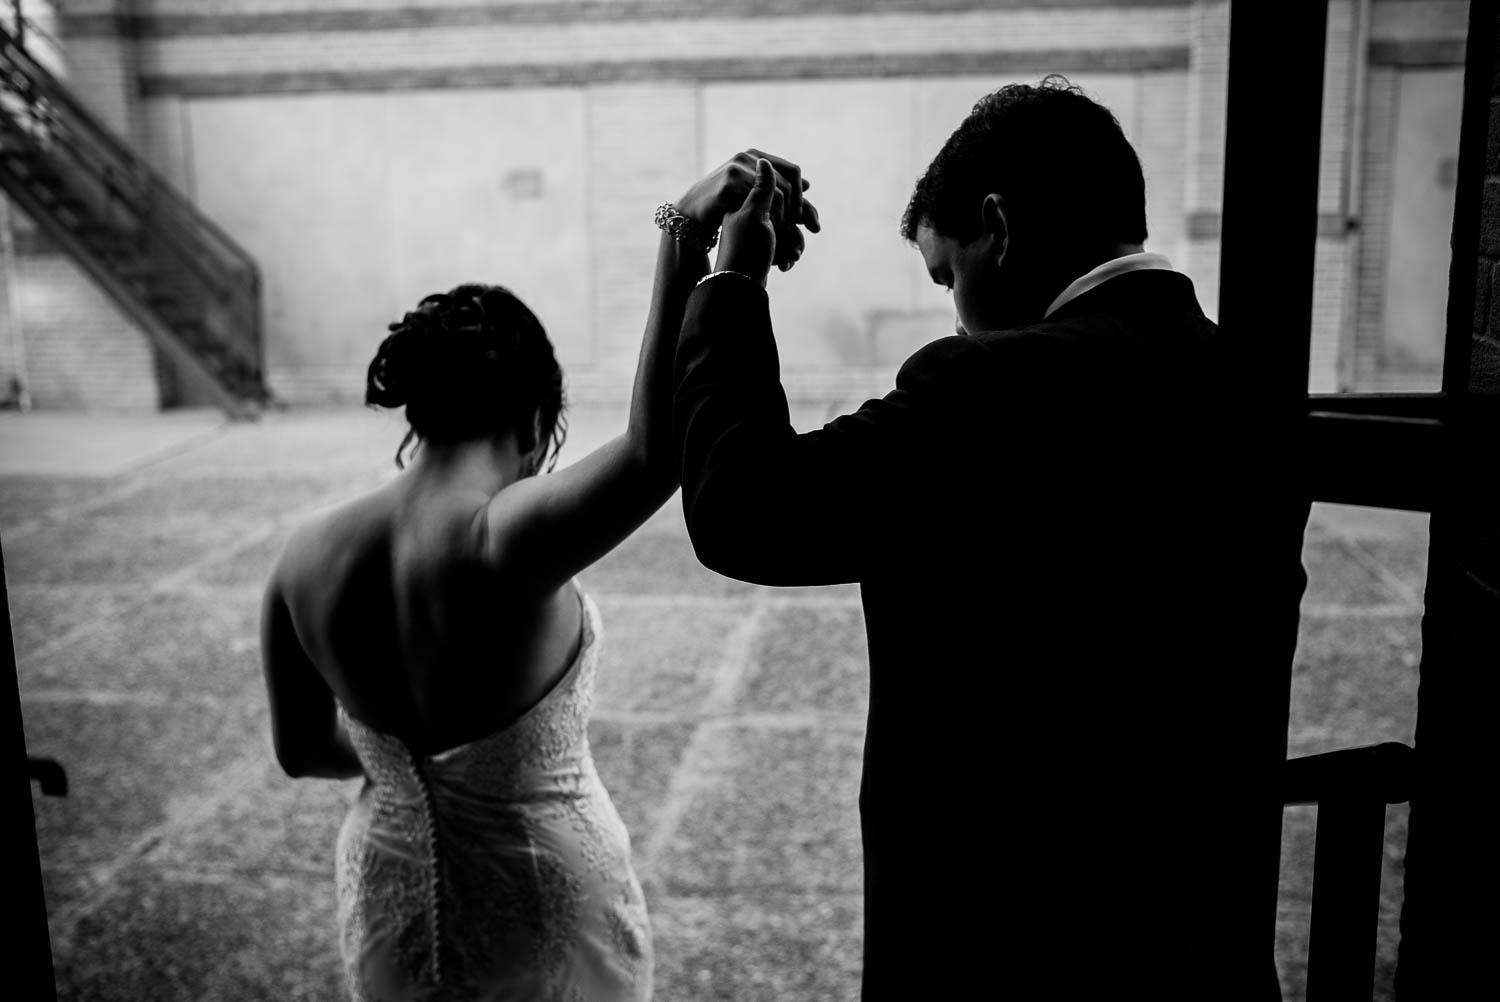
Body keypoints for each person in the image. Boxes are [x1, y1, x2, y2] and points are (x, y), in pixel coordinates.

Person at [673, 77, 1308, 998]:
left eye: (949, 275)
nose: (957, 313)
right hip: (1198, 945)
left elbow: (748, 512)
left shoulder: (993, 386)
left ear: (998, 227)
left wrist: (731, 277)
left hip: (1007, 946)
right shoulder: (1249, 385)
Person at [259, 155, 817, 1000]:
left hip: (387, 881)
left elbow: (302, 750)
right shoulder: (501, 540)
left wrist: (415, 780)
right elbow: (654, 452)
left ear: (420, 411)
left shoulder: (302, 556)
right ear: (534, 417)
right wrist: (682, 237)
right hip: (537, 894)